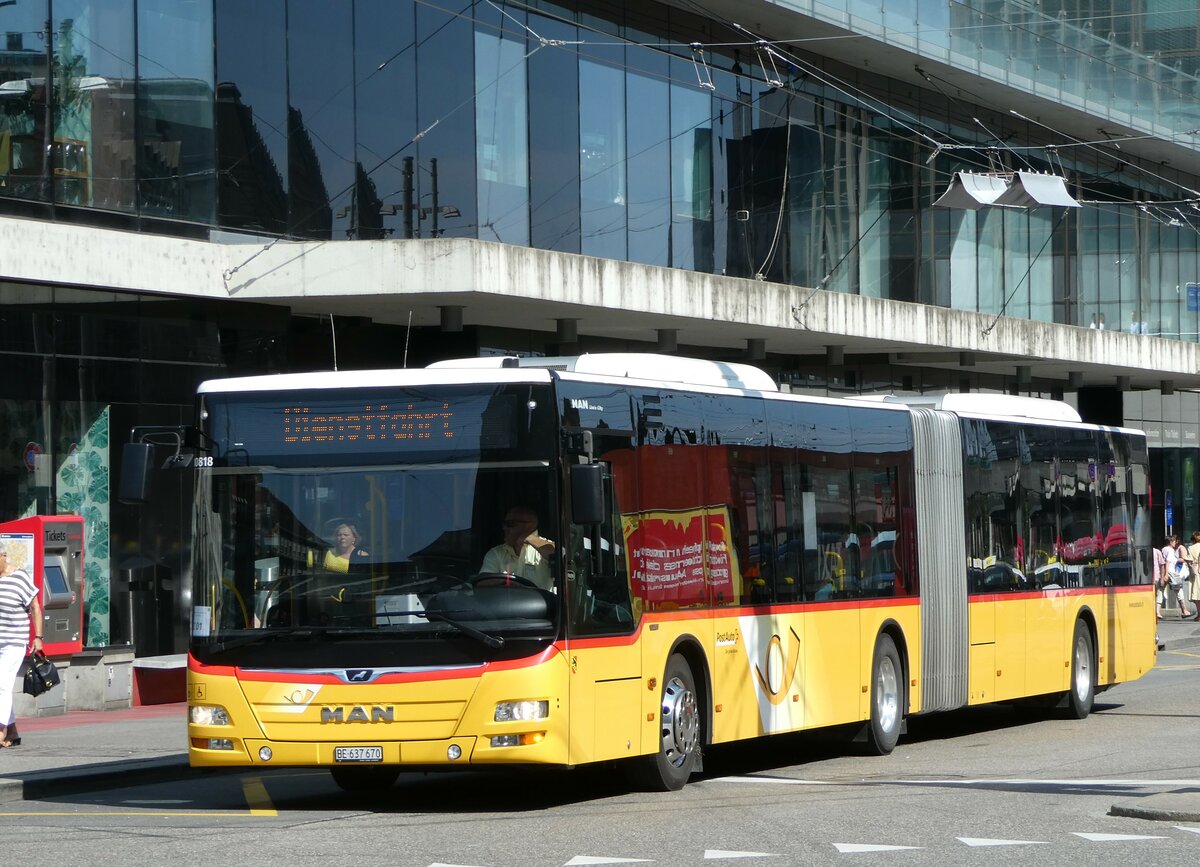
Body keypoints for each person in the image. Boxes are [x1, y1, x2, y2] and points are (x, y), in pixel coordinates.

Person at [0, 543, 42, 748]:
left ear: (3, 556)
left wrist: (38, 637)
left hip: (14, 642)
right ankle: (13, 730)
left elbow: (35, 606)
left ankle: (0, 730)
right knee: (2, 687)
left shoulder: (19, 577)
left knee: (2, 685)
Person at [480, 506, 555, 590]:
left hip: (542, 602)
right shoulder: (496, 553)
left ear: (529, 526)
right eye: (504, 524)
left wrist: (529, 538)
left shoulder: (545, 548)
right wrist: (508, 584)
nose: (504, 528)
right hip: (506, 602)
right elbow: (483, 583)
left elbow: (561, 557)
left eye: (510, 524)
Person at [1188, 532, 1200, 622]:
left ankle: (1199, 614)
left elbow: (1189, 559)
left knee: (1196, 594)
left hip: (1196, 572)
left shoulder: (1191, 548)